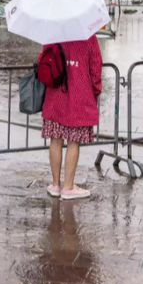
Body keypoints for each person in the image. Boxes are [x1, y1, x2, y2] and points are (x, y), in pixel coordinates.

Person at [40, 35, 102, 200]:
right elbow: (96, 68)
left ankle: (55, 185)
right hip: (79, 95)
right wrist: (95, 90)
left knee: (55, 139)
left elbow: (43, 61)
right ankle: (68, 187)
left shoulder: (53, 33)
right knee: (74, 142)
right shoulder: (88, 37)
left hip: (55, 95)